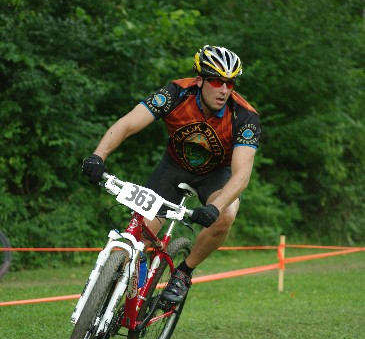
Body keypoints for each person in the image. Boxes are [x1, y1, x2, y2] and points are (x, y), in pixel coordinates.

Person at [82, 45, 261, 304]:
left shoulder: (244, 117)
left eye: (230, 82)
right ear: (199, 80)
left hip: (215, 174)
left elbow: (242, 175)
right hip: (174, 168)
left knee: (227, 213)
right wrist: (99, 155)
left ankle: (183, 273)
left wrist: (215, 207)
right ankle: (130, 298)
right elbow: (129, 122)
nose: (224, 90)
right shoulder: (176, 93)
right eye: (216, 81)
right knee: (140, 237)